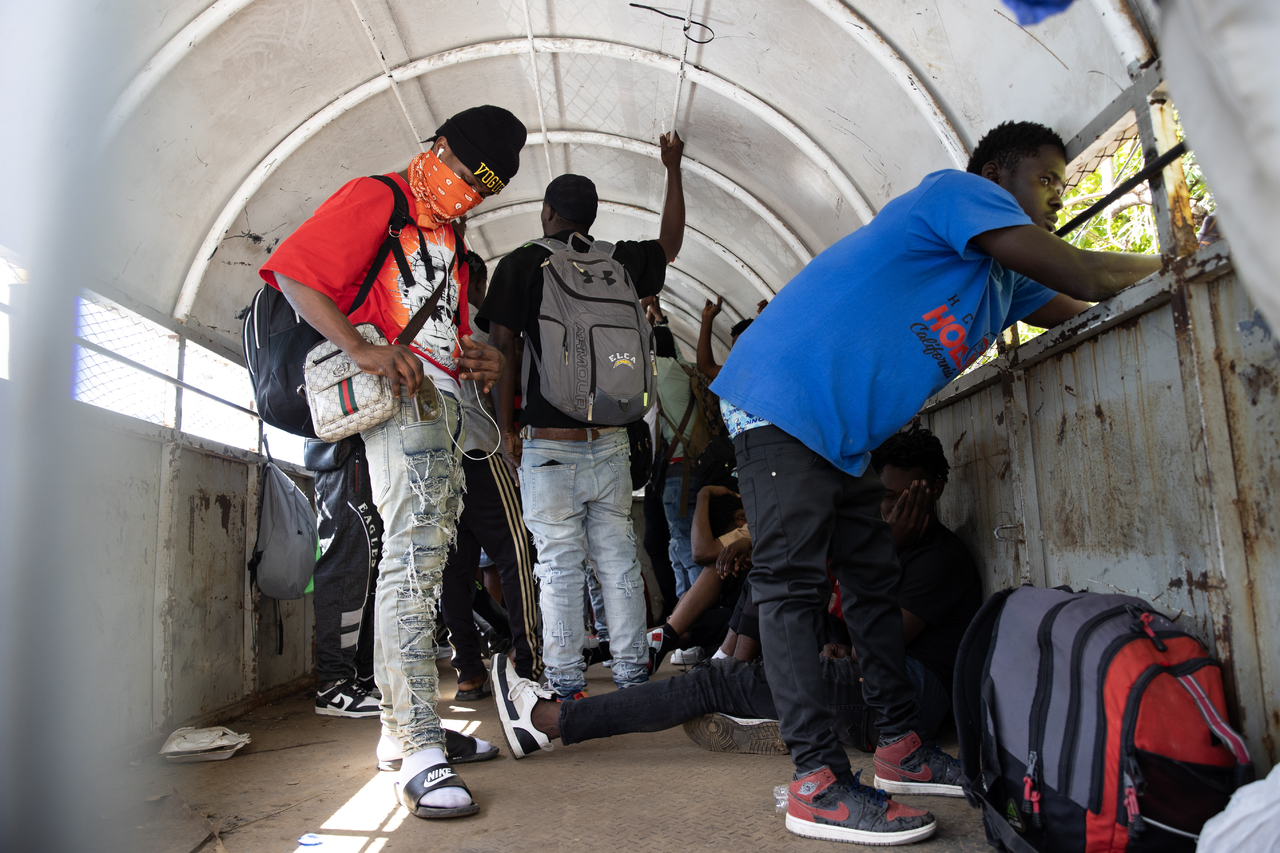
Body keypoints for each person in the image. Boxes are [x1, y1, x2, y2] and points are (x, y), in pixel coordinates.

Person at [710, 120, 1164, 845]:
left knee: (871, 578)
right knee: (792, 585)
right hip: (782, 398)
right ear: (996, 176)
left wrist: (1149, 277)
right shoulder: (954, 194)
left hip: (844, 434)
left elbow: (1082, 304)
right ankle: (817, 782)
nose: (1058, 195)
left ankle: (899, 745)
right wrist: (1181, 248)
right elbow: (1084, 273)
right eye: (1047, 179)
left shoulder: (1005, 281)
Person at [260, 105, 522, 820]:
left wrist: (480, 358)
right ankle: (419, 744)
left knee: (423, 565)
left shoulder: (452, 236)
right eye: (466, 174)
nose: (469, 193)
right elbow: (295, 274)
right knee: (411, 562)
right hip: (398, 403)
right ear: (439, 146)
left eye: (485, 190)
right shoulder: (378, 197)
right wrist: (360, 346)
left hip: (441, 405)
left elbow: (447, 333)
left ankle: (398, 729)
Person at [490, 425, 980, 773]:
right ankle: (761, 706)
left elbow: (883, 643)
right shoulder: (881, 542)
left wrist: (885, 553)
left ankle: (550, 721)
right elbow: (855, 634)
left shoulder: (941, 558)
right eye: (881, 496)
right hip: (866, 687)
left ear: (932, 490)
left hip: (896, 707)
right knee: (749, 644)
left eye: (898, 496)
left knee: (712, 684)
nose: (885, 509)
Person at [479, 132, 686, 701]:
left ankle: (567, 683)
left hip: (549, 443)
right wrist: (672, 168)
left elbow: (503, 346)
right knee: (618, 559)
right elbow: (671, 243)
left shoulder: (523, 263)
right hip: (612, 441)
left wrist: (506, 429)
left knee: (559, 565)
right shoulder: (620, 261)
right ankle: (632, 676)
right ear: (591, 218)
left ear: (547, 212)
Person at [440, 250, 543, 699]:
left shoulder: (421, 322)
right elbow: (509, 381)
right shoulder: (478, 327)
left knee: (453, 567)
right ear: (477, 284)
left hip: (435, 458)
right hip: (478, 449)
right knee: (515, 550)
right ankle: (528, 660)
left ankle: (468, 669)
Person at [306, 435, 384, 718]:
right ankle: (333, 684)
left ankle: (361, 676)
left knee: (367, 575)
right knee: (344, 569)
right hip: (344, 456)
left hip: (362, 457)